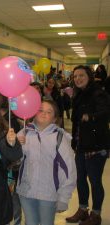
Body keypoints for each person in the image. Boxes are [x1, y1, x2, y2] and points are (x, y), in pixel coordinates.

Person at [16, 99, 77, 225]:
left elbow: (68, 170)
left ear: (55, 118)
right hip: (26, 192)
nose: (44, 113)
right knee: (30, 222)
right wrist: (15, 146)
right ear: (34, 113)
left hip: (48, 194)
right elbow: (15, 162)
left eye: (49, 112)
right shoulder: (24, 133)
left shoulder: (59, 138)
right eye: (40, 110)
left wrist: (64, 198)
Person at [66, 65, 110, 225]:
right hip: (82, 145)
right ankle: (83, 210)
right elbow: (76, 121)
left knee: (95, 180)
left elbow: (106, 113)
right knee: (80, 180)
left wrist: (90, 117)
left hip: (97, 146)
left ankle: (96, 214)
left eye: (81, 75)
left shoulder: (99, 93)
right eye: (75, 76)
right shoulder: (78, 95)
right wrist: (75, 140)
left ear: (89, 76)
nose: (77, 78)